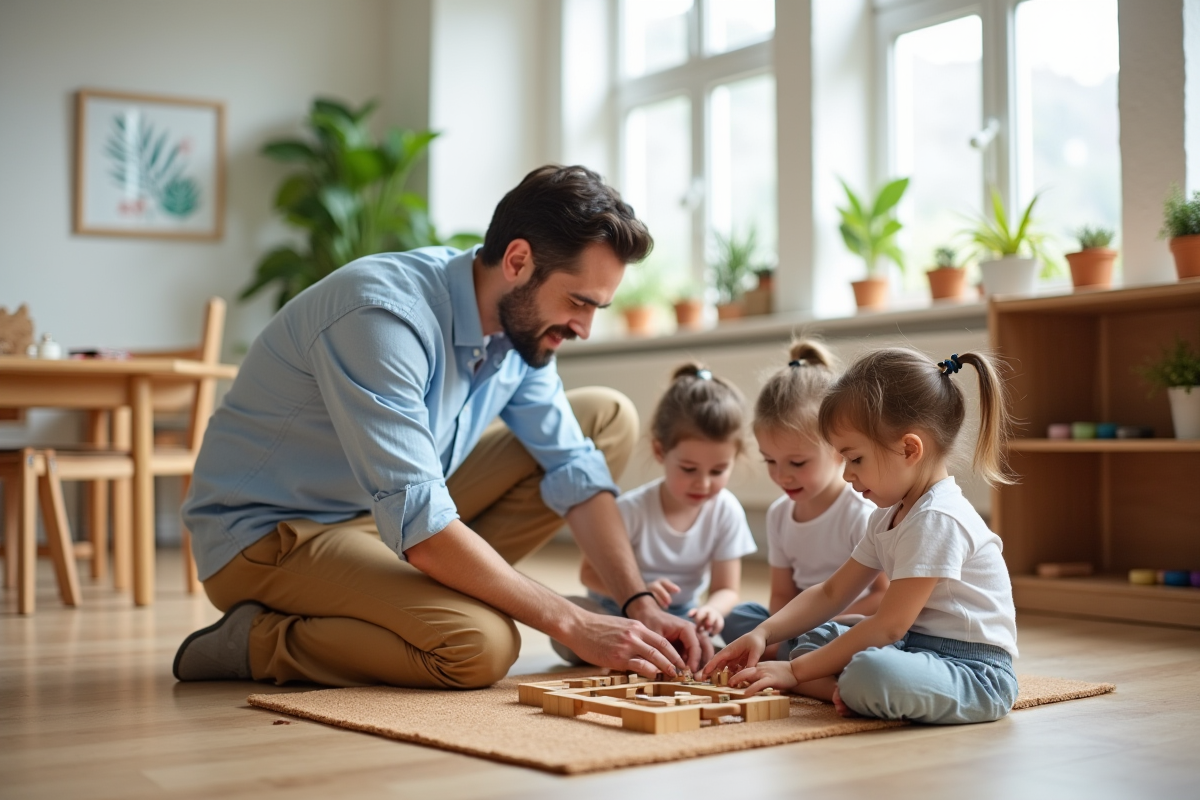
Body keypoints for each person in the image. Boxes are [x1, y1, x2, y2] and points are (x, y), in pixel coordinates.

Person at [174, 165, 712, 689]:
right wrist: (571, 622)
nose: (585, 329)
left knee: (605, 419)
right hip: (270, 535)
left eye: (598, 308)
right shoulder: (381, 316)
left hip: (385, 521)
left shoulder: (519, 332)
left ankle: (442, 594)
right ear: (518, 260)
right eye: (578, 302)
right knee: (479, 645)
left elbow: (570, 464)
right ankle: (257, 640)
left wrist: (636, 603)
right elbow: (422, 524)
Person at [703, 348, 1019, 725]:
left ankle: (848, 687)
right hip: (913, 648)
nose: (847, 474)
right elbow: (832, 593)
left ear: (909, 449)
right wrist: (764, 632)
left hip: (975, 672)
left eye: (855, 459)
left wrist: (796, 672)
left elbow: (888, 624)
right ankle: (846, 691)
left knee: (869, 672)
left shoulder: (937, 517)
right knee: (814, 640)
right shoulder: (888, 515)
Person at [554, 364, 756, 663]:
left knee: (730, 633)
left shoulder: (726, 511)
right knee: (572, 627)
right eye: (688, 469)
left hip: (680, 615)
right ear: (660, 452)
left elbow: (727, 588)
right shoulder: (631, 509)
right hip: (616, 610)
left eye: (718, 470)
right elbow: (589, 573)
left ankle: (654, 650)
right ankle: (629, 648)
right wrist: (640, 591)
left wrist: (712, 610)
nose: (702, 482)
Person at [722, 340, 887, 655]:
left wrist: (818, 624)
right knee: (735, 618)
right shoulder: (779, 514)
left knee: (858, 646)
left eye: (797, 463)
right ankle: (795, 655)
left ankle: (801, 658)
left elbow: (883, 596)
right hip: (799, 625)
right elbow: (782, 594)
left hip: (845, 623)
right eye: (770, 461)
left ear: (839, 452)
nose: (782, 475)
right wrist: (779, 631)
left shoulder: (861, 512)